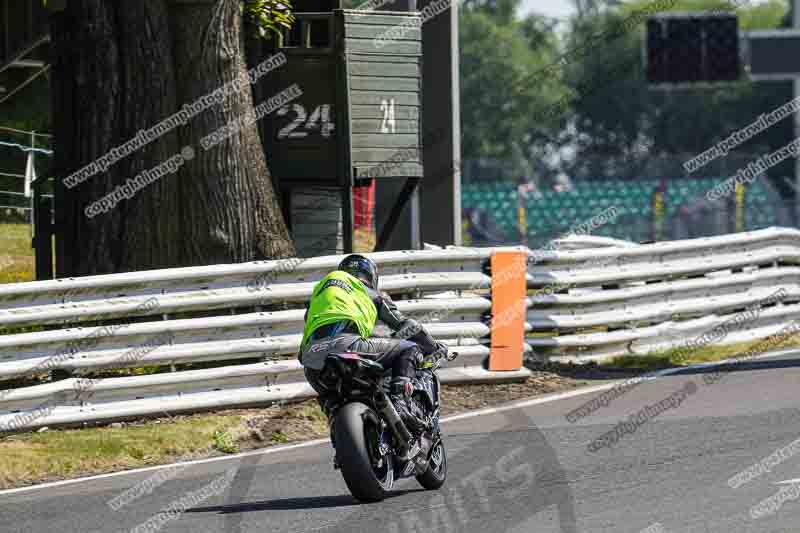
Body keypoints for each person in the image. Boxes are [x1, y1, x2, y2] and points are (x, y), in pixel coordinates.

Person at [298, 254, 445, 441]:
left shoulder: (318, 295)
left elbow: (304, 347)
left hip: (311, 362)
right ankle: (400, 403)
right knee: (409, 348)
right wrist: (433, 347)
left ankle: (337, 426)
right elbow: (407, 326)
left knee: (332, 401)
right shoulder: (365, 290)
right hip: (348, 345)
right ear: (371, 276)